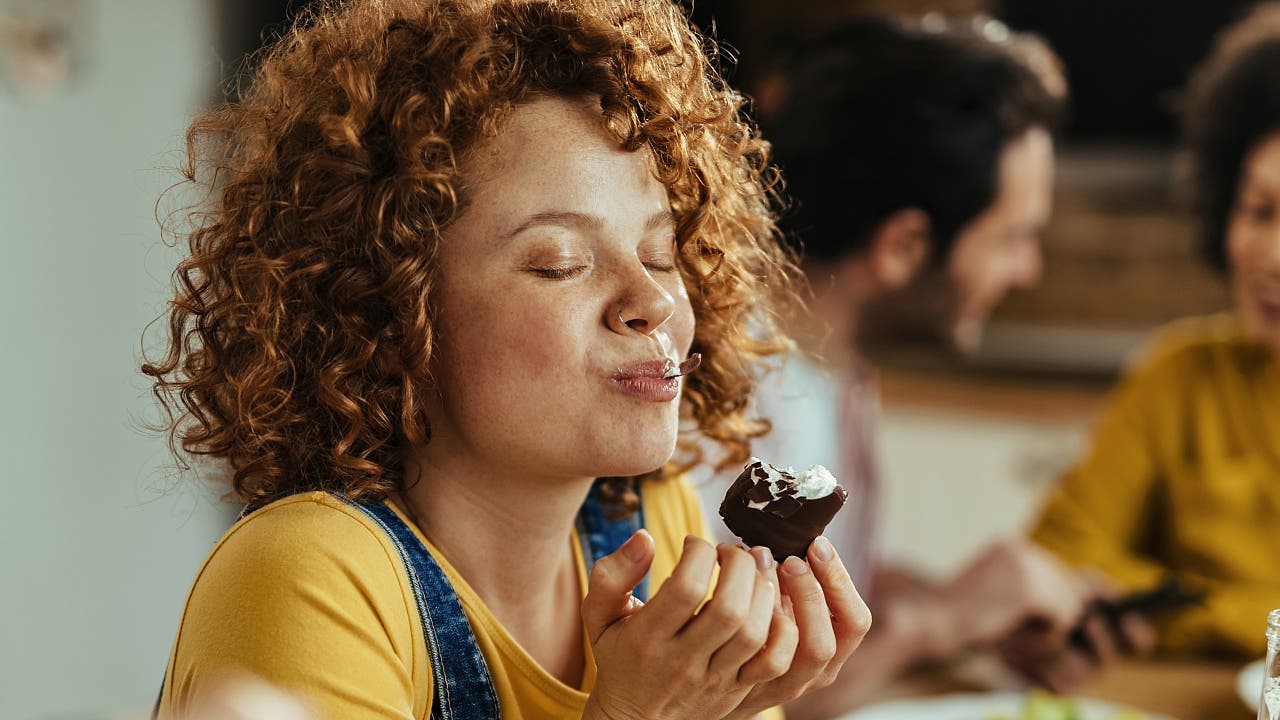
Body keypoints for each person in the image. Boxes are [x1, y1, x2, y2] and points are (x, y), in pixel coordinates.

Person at [143, 1, 872, 718]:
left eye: (660, 252)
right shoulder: (307, 575)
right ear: (388, 315)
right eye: (560, 263)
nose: (650, 299)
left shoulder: (654, 524)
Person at [693, 16, 1150, 718]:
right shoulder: (712, 400)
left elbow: (833, 581)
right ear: (904, 245)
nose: (1027, 271)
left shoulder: (835, 361)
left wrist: (989, 623)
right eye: (1013, 238)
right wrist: (936, 624)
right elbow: (727, 695)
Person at [1030, 3, 1280, 660]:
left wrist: (1176, 602)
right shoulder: (1178, 375)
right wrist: (1251, 618)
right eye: (1259, 210)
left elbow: (1116, 590)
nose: (1272, 255)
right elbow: (1057, 564)